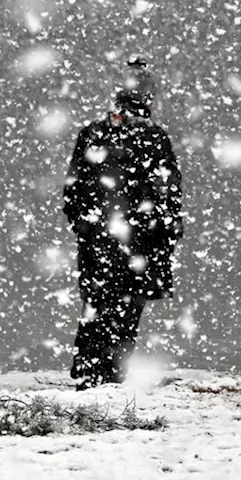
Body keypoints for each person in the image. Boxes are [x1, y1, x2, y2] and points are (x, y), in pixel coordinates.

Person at [62, 58, 184, 389]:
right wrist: (167, 230)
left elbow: (73, 193)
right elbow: (168, 193)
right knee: (126, 311)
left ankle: (91, 371)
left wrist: (87, 227)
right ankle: (109, 372)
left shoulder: (93, 135)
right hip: (138, 242)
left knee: (98, 306)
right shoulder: (154, 138)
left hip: (102, 240)